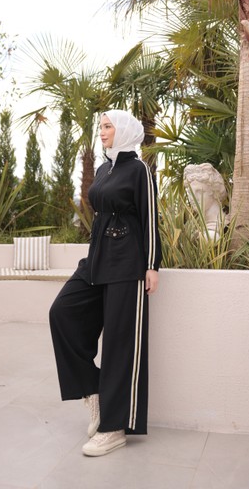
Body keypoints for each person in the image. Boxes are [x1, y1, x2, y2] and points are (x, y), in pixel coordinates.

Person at [49, 109, 162, 457]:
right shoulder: (103, 168)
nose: (102, 132)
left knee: (118, 344)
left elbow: (150, 217)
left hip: (128, 263)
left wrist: (152, 265)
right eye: (100, 126)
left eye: (108, 126)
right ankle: (94, 390)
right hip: (97, 258)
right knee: (62, 313)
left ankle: (113, 429)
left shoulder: (139, 169)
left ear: (124, 130)